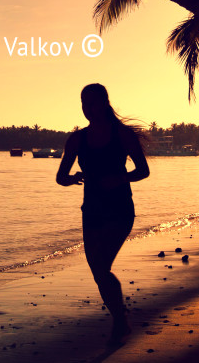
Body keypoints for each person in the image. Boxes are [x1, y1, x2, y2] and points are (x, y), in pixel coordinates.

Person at [56, 83, 150, 346]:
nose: (87, 108)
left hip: (120, 209)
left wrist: (120, 178)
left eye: (92, 102)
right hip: (92, 211)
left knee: (101, 267)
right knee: (98, 270)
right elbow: (60, 177)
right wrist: (73, 178)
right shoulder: (77, 139)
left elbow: (143, 171)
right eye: (83, 103)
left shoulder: (123, 135)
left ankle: (120, 322)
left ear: (104, 103)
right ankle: (120, 319)